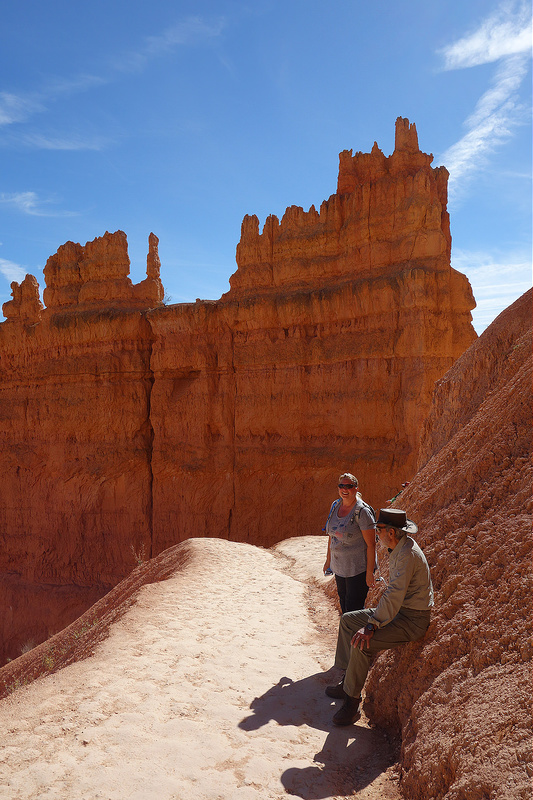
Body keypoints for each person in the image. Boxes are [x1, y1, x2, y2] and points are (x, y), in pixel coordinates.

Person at [325, 508, 434, 726]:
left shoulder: (407, 555)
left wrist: (371, 625)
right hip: (399, 613)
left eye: (380, 529)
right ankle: (348, 680)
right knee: (348, 621)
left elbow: (394, 595)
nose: (377, 534)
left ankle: (352, 703)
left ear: (391, 533)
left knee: (361, 641)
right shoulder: (400, 548)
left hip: (411, 620)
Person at [323, 473, 377, 613]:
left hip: (358, 569)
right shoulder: (335, 505)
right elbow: (331, 536)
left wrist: (369, 573)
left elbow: (371, 544)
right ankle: (349, 634)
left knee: (353, 609)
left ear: (356, 489)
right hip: (340, 567)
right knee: (344, 605)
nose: (344, 489)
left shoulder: (362, 512)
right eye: (341, 486)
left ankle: (355, 634)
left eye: (349, 486)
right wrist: (328, 561)